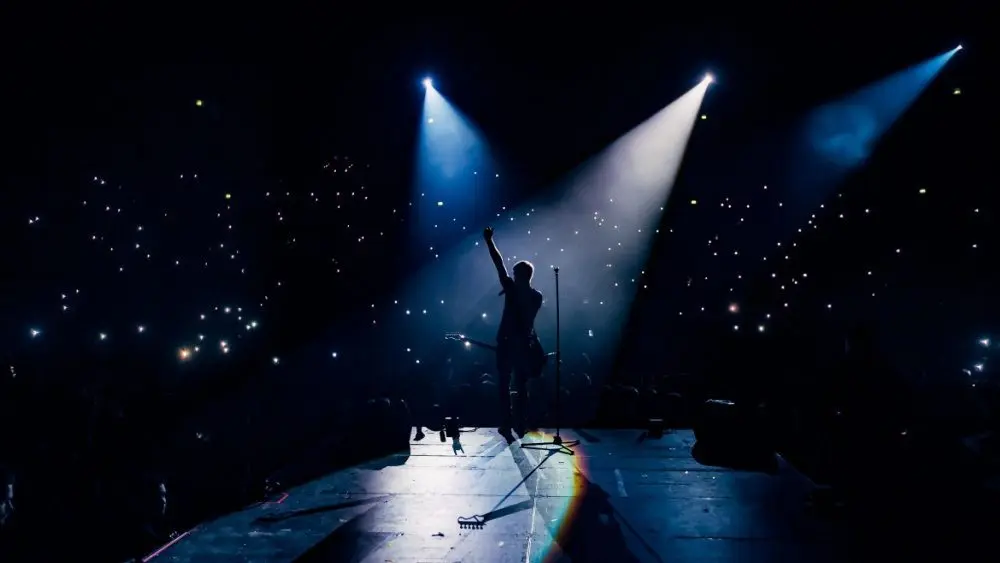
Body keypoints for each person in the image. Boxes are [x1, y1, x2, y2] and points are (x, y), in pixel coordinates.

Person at [483, 227, 543, 436]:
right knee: (521, 384)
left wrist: (489, 242)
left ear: (520, 275)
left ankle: (508, 422)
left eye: (515, 272)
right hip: (524, 343)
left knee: (504, 383)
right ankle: (520, 422)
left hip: (509, 342)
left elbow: (498, 264)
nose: (512, 275)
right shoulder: (537, 296)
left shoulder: (512, 289)